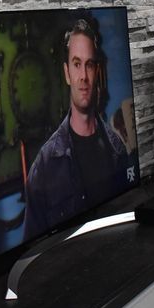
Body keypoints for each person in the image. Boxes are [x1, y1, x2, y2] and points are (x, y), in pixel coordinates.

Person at [23, 18, 130, 239]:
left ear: (96, 71)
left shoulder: (117, 148)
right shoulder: (44, 167)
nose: (83, 76)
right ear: (66, 73)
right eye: (76, 64)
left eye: (89, 65)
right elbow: (32, 251)